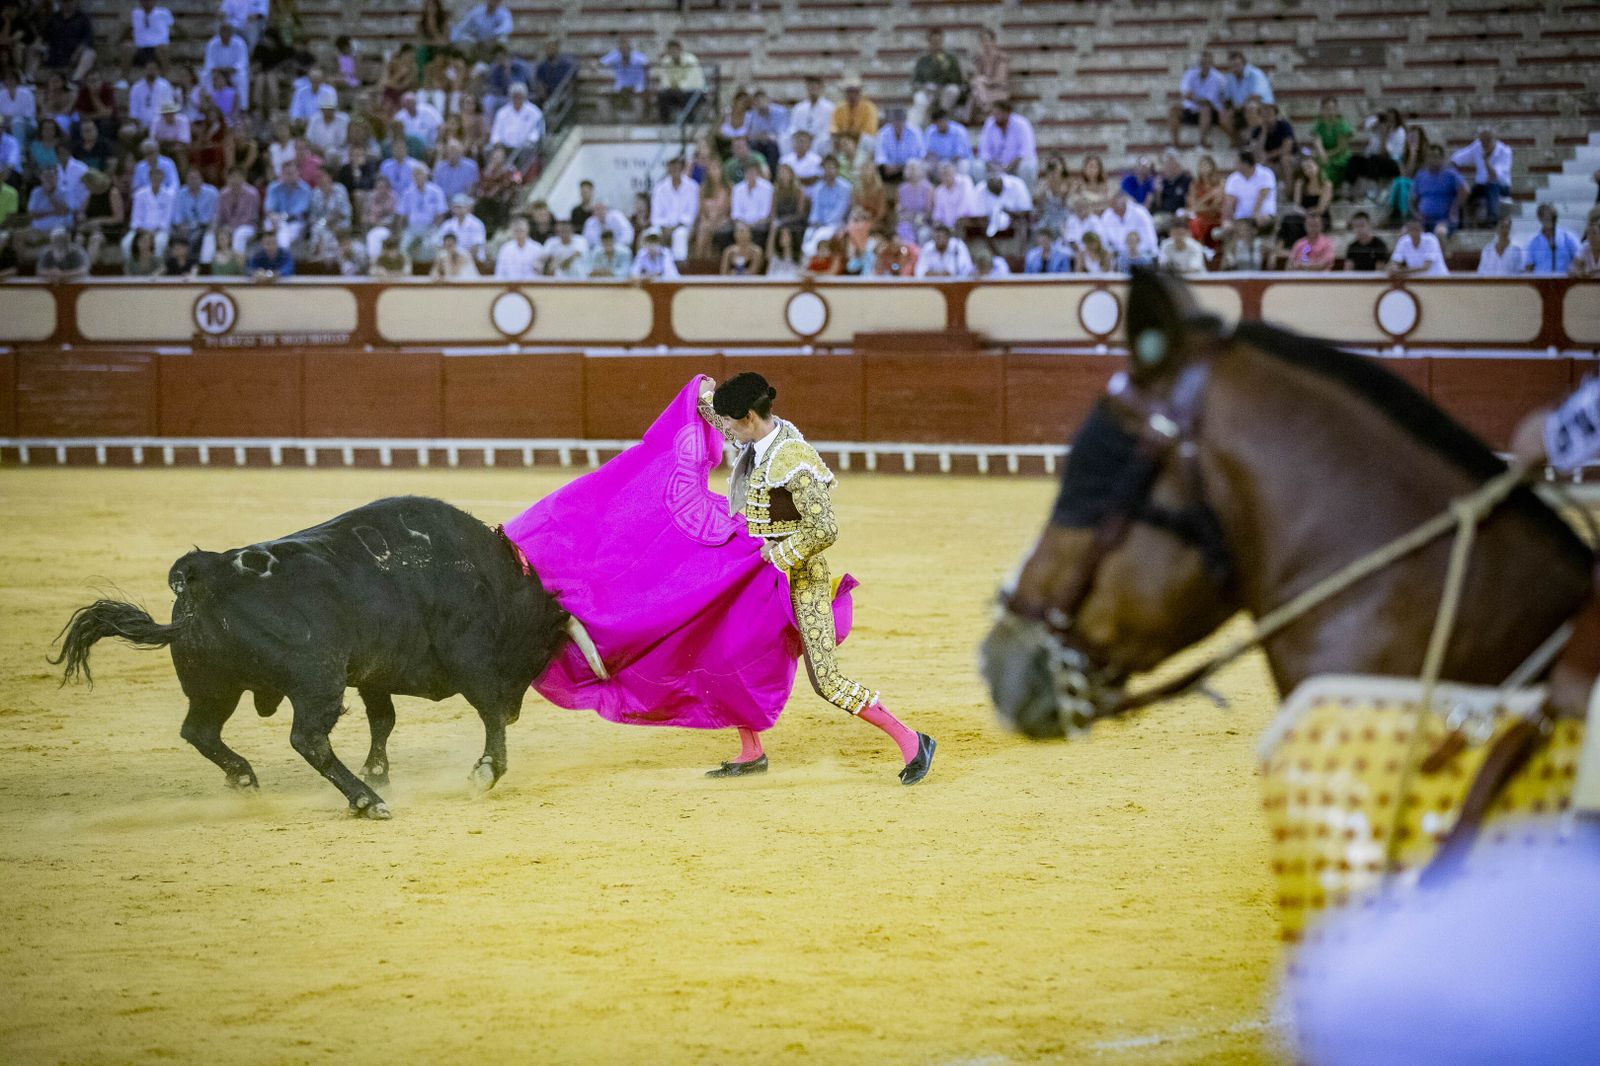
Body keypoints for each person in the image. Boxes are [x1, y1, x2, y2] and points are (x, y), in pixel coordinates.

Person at [691, 373, 936, 781]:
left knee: (827, 680)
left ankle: (913, 741)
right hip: (760, 578)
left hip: (801, 578)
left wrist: (777, 555)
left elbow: (824, 529)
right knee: (726, 653)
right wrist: (700, 394)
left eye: (732, 423)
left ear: (750, 417)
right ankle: (751, 750)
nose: (727, 431)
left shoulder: (792, 458)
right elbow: (720, 418)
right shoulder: (764, 434)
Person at [1451, 127, 1513, 227]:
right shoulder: (1477, 146)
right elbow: (1457, 158)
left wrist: (1486, 161)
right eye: (1482, 140)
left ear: (1494, 139)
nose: (1485, 143)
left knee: (1492, 185)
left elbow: (1493, 176)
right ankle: (1460, 223)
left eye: (1488, 140)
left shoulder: (1505, 151)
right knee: (1465, 192)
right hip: (1482, 186)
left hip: (1501, 187)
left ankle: (1492, 221)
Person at [1170, 50, 1227, 148]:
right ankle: (1175, 144)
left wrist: (1193, 98)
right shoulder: (1190, 74)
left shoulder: (1218, 78)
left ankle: (1201, 142)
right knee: (1173, 110)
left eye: (1206, 62)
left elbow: (1208, 102)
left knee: (1205, 109)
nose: (1204, 65)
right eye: (1202, 62)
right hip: (1192, 109)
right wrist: (1194, 99)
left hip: (1210, 112)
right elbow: (1185, 94)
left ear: (1211, 63)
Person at [910, 28, 964, 128]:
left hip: (945, 90)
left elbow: (958, 80)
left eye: (938, 42)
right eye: (933, 42)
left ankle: (940, 118)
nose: (936, 45)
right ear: (929, 42)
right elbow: (916, 81)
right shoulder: (923, 59)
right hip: (929, 91)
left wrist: (945, 70)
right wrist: (924, 87)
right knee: (919, 99)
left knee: (953, 90)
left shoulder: (950, 58)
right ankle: (914, 130)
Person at [977, 99, 1037, 186]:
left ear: (1007, 113)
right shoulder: (989, 124)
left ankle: (1027, 197)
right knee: (978, 166)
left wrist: (1007, 168)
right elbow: (984, 152)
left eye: (998, 114)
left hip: (1016, 166)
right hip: (995, 167)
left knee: (1027, 166)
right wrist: (995, 167)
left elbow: (1024, 152)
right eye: (994, 114)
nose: (995, 117)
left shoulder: (1022, 124)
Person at [1220, 50, 1274, 146]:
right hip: (1240, 110)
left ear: (1244, 64)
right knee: (1223, 116)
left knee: (1251, 108)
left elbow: (1256, 98)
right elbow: (1227, 100)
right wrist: (1227, 109)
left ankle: (1255, 141)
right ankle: (1239, 144)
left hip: (1263, 109)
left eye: (1237, 65)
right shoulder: (1230, 78)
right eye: (1232, 66)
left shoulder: (1256, 74)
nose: (1235, 68)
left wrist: (1238, 107)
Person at [1410, 145, 1468, 233]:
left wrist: (1454, 207)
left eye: (1435, 157)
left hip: (1445, 220)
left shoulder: (1451, 175)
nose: (1432, 160)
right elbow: (1412, 199)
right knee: (1408, 232)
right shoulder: (1420, 176)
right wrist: (1416, 213)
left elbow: (1465, 190)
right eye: (1430, 156)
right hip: (1424, 220)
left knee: (1440, 232)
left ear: (1442, 158)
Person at [490, 82, 543, 169]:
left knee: (528, 150)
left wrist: (529, 141)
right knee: (491, 151)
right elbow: (496, 132)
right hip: (505, 147)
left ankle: (523, 177)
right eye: (514, 96)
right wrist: (498, 146)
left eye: (519, 96)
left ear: (524, 96)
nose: (517, 99)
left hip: (525, 146)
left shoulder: (534, 112)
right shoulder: (502, 112)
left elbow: (536, 132)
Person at [1309, 96, 1355, 190]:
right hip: (1323, 156)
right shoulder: (1318, 124)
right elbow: (1317, 141)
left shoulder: (1342, 124)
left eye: (1332, 109)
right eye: (1327, 109)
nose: (1330, 112)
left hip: (1340, 158)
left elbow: (1341, 148)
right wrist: (1321, 154)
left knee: (1326, 170)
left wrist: (1326, 155)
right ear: (1322, 110)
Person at [598, 36, 648, 122]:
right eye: (622, 48)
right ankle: (607, 120)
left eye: (626, 47)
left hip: (636, 86)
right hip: (620, 86)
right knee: (603, 92)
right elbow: (601, 63)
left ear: (629, 48)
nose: (624, 50)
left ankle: (638, 120)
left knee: (638, 95)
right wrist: (593, 65)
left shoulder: (638, 57)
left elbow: (646, 64)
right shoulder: (615, 55)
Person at [655, 39, 705, 124]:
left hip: (693, 90)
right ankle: (665, 122)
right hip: (673, 91)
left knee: (687, 96)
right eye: (670, 50)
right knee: (662, 96)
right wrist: (671, 87)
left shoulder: (691, 60)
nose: (673, 52)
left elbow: (692, 79)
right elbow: (664, 79)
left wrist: (680, 87)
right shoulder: (665, 62)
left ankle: (690, 122)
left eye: (675, 50)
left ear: (680, 50)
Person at [1525, 204, 1582, 275]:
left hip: (1564, 281)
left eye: (1552, 216)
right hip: (1540, 282)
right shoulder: (1533, 242)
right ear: (1539, 218)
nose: (1550, 219)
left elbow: (1580, 260)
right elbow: (1528, 267)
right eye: (1546, 217)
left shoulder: (1568, 237)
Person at [969, 28, 1010, 118]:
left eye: (988, 40)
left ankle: (985, 108)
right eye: (983, 41)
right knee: (976, 86)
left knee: (977, 88)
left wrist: (985, 81)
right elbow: (976, 77)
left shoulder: (1001, 57)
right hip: (983, 90)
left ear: (993, 41)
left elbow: (1000, 79)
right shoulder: (980, 58)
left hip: (997, 89)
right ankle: (986, 107)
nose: (986, 43)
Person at [875, 109, 923, 184]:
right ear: (892, 122)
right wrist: (886, 165)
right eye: (896, 121)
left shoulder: (915, 132)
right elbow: (880, 155)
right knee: (878, 169)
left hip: (907, 167)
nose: (898, 124)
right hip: (889, 169)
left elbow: (918, 155)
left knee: (915, 168)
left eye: (901, 121)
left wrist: (900, 167)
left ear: (905, 121)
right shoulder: (883, 133)